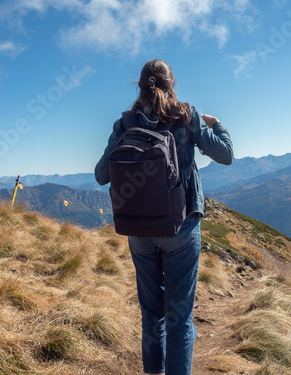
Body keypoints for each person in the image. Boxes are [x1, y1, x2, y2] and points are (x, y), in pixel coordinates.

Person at [94, 59, 233, 375]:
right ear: (172, 84)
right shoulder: (185, 115)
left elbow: (102, 174)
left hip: (138, 229)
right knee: (180, 319)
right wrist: (216, 125)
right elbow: (225, 155)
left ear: (140, 85)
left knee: (151, 314)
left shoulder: (126, 123)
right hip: (181, 227)